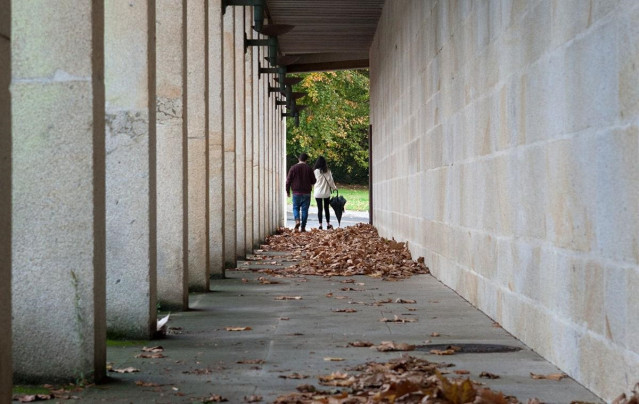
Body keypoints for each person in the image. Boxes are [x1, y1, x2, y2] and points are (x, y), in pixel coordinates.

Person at [285, 153, 316, 232]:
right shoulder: (309, 168)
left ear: (299, 159)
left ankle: (297, 221)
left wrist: (287, 191)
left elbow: (288, 181)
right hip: (306, 193)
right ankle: (303, 227)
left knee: (295, 208)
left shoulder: (293, 168)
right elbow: (314, 180)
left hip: (296, 192)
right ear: (306, 160)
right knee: (305, 210)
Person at [313, 156, 337, 230]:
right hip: (326, 193)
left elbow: (313, 181)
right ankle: (328, 224)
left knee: (319, 209)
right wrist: (334, 188)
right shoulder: (328, 171)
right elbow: (331, 181)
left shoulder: (315, 171)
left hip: (317, 193)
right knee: (326, 208)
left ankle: (320, 225)